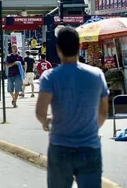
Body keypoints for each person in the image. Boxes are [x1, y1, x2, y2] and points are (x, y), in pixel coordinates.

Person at [35, 26, 109, 188]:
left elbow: (40, 112)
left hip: (60, 146)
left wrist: (47, 122)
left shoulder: (50, 77)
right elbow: (103, 112)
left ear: (58, 49)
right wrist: (89, 127)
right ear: (80, 47)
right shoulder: (97, 75)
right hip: (89, 147)